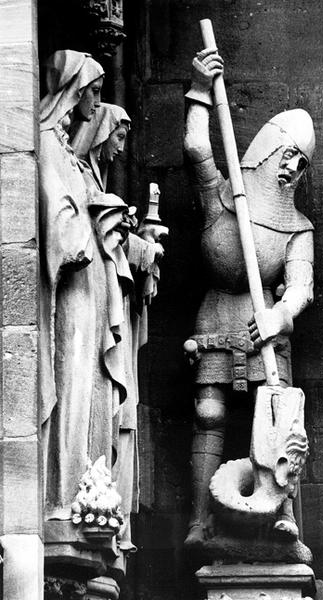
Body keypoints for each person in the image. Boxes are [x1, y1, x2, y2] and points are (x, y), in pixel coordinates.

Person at [183, 48, 315, 548]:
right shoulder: (222, 195)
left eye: (301, 164)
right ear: (266, 151)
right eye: (288, 156)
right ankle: (199, 520)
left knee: (281, 421)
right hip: (218, 312)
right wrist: (199, 89)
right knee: (210, 415)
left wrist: (281, 313)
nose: (292, 168)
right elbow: (197, 148)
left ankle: (286, 519)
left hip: (265, 325)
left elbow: (301, 285)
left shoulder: (297, 226)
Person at [39, 50, 138, 551]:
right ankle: (63, 492)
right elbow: (59, 217)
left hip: (93, 285)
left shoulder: (67, 150)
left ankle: (86, 485)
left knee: (91, 384)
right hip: (74, 284)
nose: (96, 102)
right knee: (74, 380)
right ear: (74, 91)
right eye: (92, 92)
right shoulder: (45, 143)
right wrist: (83, 231)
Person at [70, 102, 165, 552]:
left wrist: (142, 249)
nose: (122, 146)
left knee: (119, 408)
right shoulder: (79, 176)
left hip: (113, 309)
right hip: (89, 308)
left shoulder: (96, 178)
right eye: (119, 135)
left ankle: (111, 515)